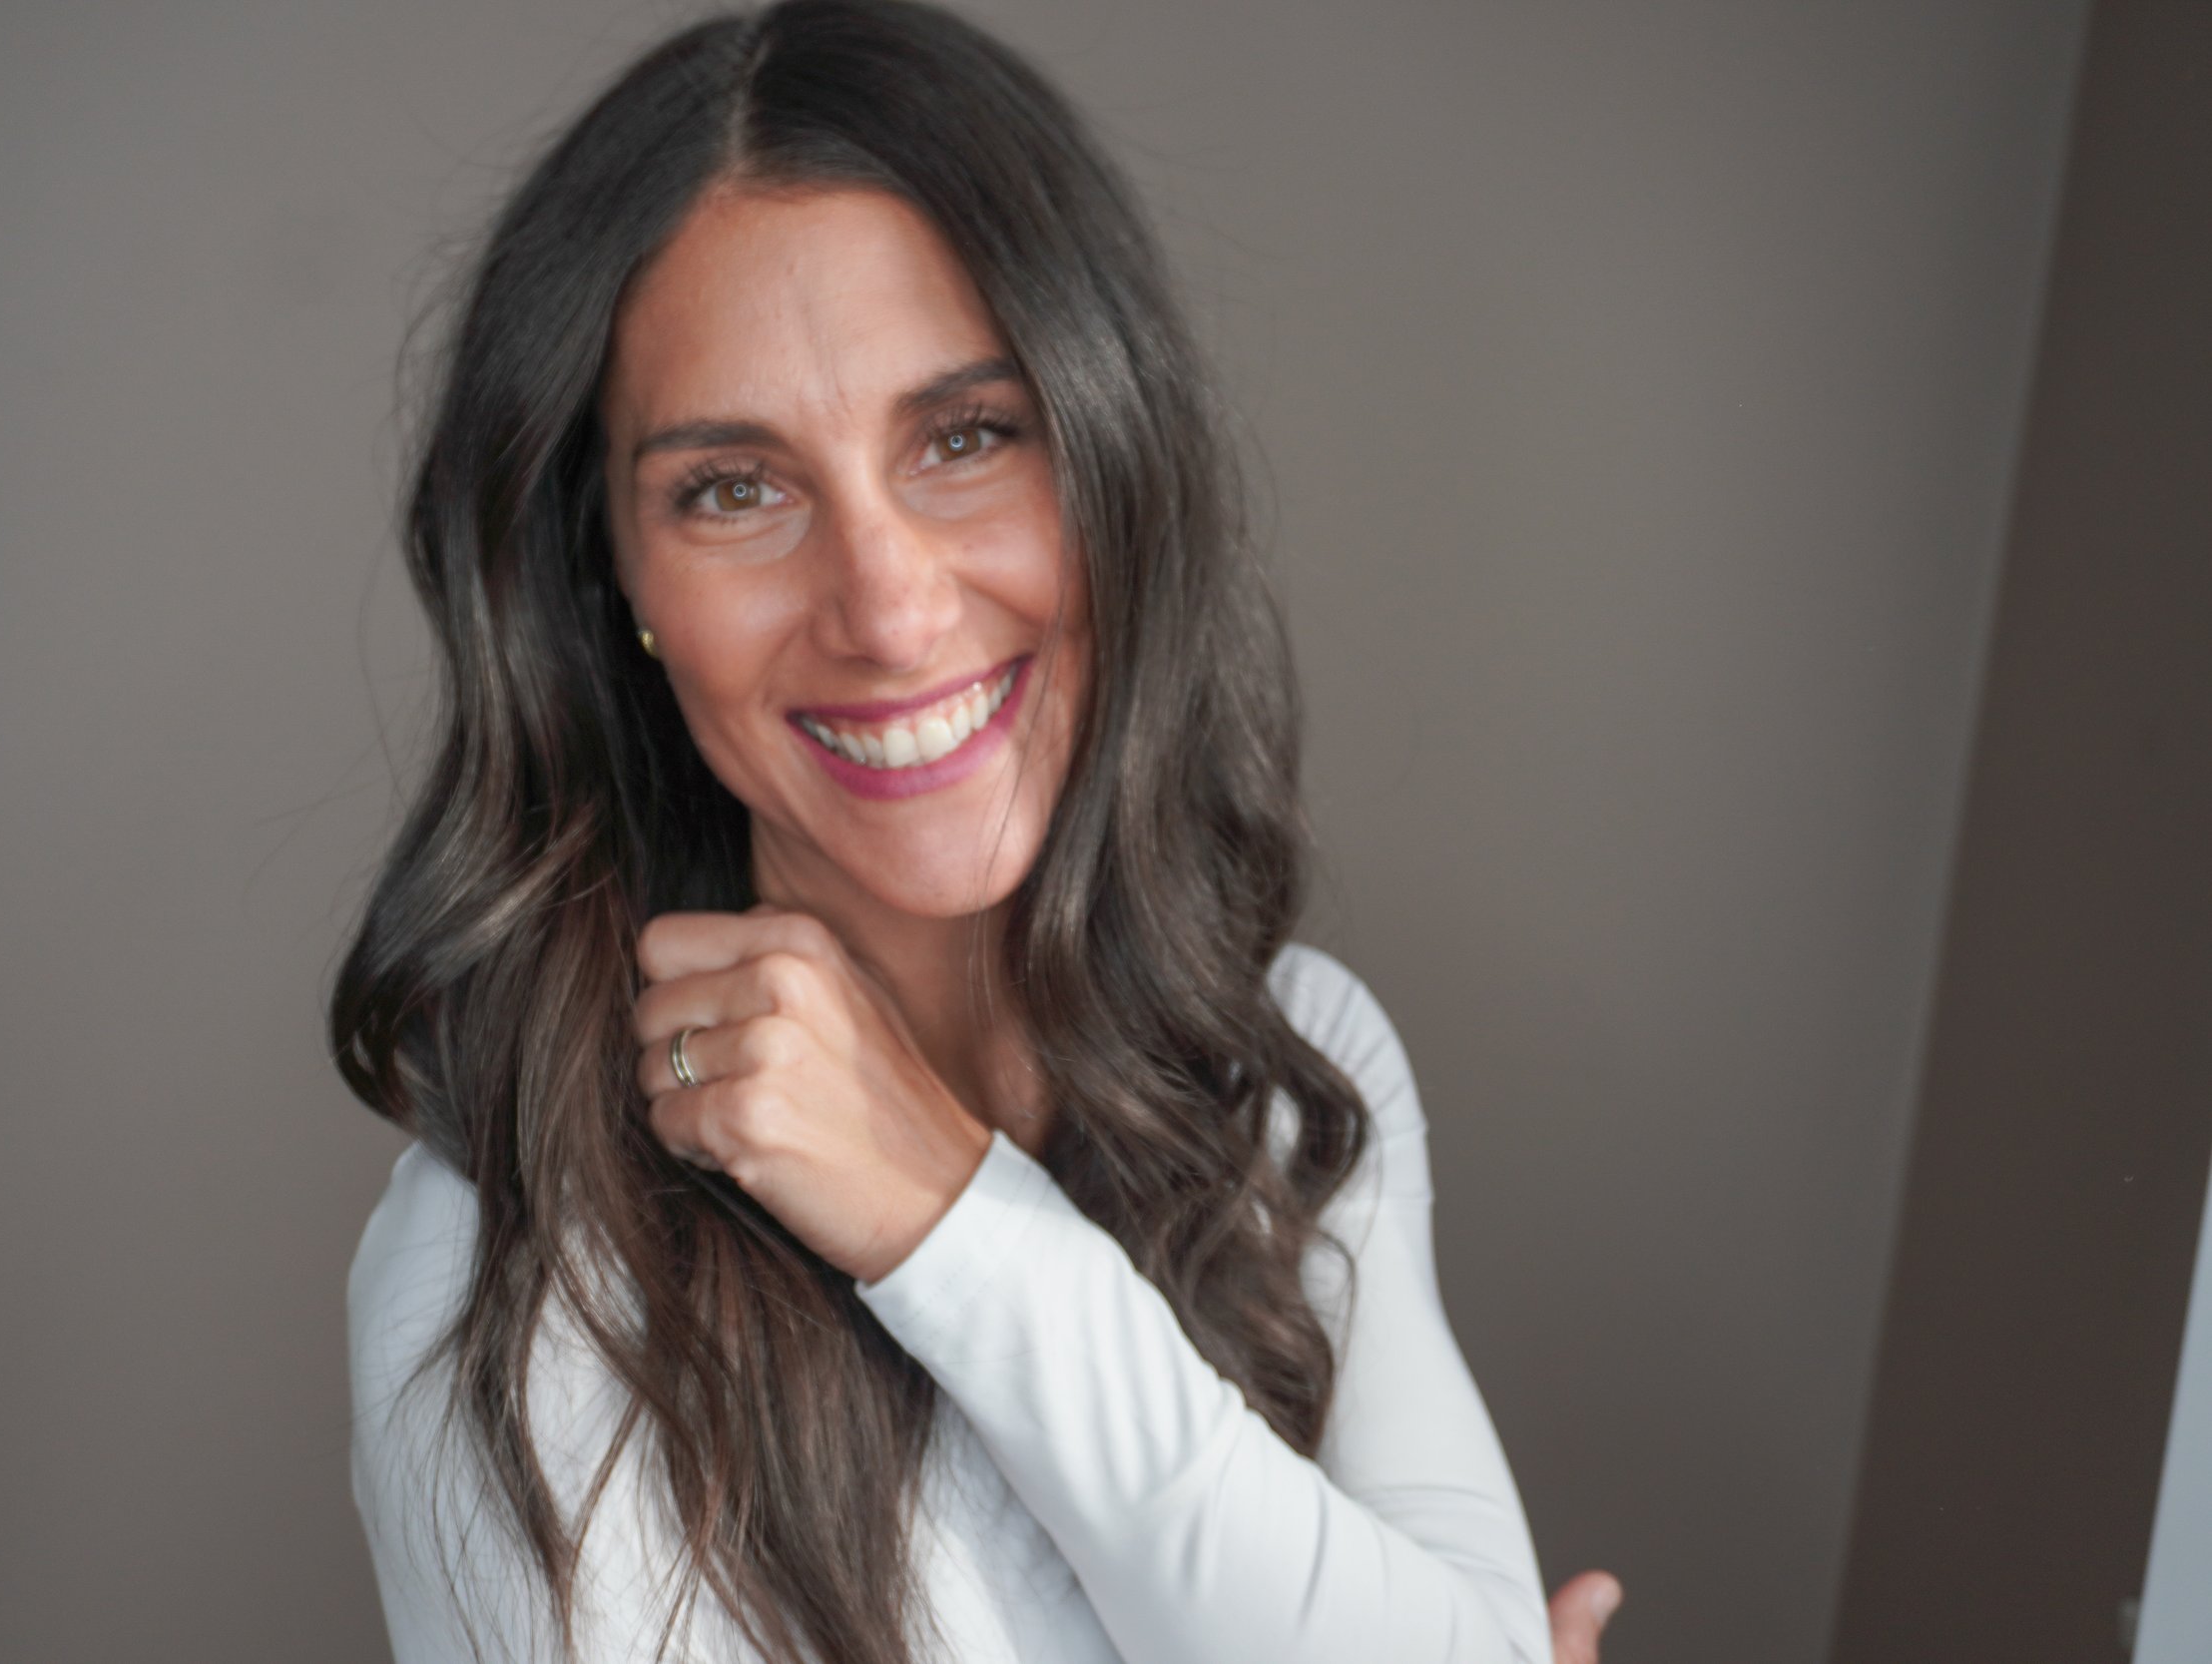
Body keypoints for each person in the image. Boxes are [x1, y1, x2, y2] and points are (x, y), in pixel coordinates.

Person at [332, 2, 1623, 1659]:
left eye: (965, 437)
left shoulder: (1289, 1059)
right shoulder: (516, 1272)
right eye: (735, 486)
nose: (886, 606)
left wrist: (956, 1221)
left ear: (1110, 460)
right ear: (618, 587)